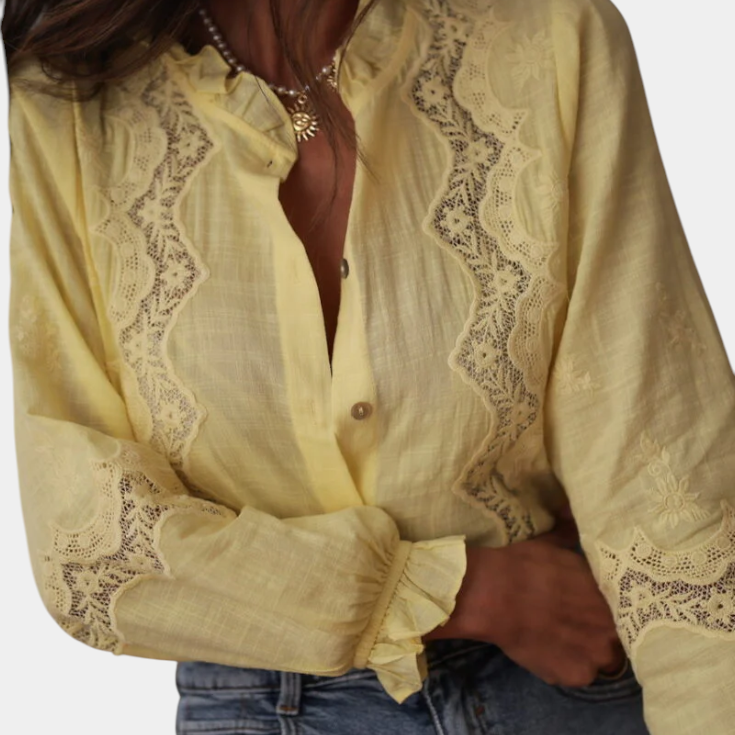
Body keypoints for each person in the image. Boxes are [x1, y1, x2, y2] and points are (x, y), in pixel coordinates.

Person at [3, 0, 733, 732]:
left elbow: (670, 490)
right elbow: (90, 550)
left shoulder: (547, 39)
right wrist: (462, 591)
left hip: (558, 683)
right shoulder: (69, 95)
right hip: (263, 701)